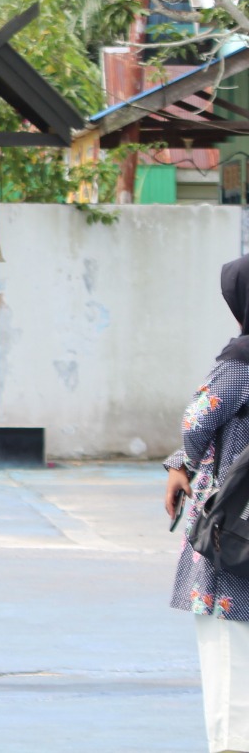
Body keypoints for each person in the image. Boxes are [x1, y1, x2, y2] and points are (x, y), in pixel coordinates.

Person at [165, 252, 249, 752]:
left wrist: (182, 463)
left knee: (228, 645)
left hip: (232, 520)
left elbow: (198, 421)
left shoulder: (241, 360)